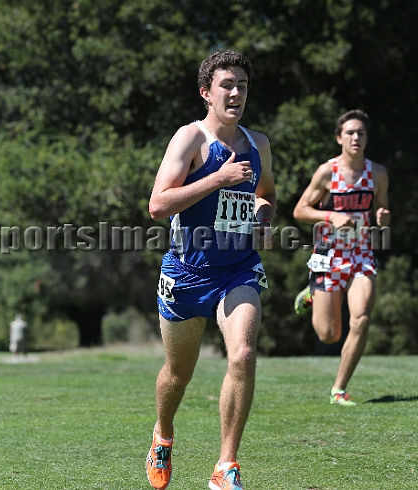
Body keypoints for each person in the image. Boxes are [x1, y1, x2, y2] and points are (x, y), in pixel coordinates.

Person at [146, 50, 275, 490]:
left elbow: (265, 194)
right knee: (178, 373)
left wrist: (262, 218)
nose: (236, 92)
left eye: (242, 85)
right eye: (227, 85)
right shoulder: (191, 139)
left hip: (238, 268)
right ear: (207, 93)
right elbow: (158, 204)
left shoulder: (259, 145)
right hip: (186, 271)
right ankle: (163, 434)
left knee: (242, 354)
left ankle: (226, 467)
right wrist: (217, 179)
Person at [292, 110, 390, 406]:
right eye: (350, 132)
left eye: (361, 132)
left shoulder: (378, 173)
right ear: (339, 138)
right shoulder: (327, 172)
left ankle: (339, 389)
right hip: (328, 255)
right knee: (329, 335)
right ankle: (312, 292)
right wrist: (331, 215)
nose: (356, 137)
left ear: (366, 138)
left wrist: (384, 218)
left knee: (361, 318)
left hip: (361, 253)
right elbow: (300, 211)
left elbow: (382, 214)